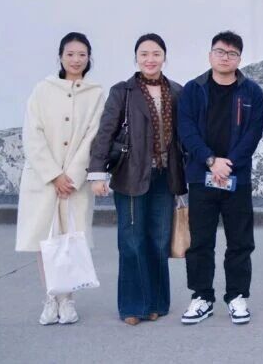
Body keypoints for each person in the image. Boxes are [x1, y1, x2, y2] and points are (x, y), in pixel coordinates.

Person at [88, 33, 186, 326]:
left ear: (164, 57)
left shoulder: (176, 91)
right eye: (144, 54)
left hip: (165, 177)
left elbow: (184, 136)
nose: (150, 59)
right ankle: (133, 306)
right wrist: (97, 173)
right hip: (130, 175)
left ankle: (156, 303)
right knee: (132, 241)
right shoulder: (123, 91)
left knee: (159, 241)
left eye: (156, 54)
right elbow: (105, 132)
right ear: (136, 58)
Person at [177, 31, 263, 326]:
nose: (225, 57)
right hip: (201, 176)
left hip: (236, 178)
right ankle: (202, 297)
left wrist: (229, 164)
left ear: (239, 58)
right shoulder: (193, 89)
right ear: (210, 55)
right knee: (200, 241)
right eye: (220, 52)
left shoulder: (251, 92)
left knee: (240, 241)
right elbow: (186, 130)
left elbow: (253, 133)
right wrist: (210, 160)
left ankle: (237, 296)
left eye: (231, 53)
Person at [17, 32, 106, 326]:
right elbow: (32, 134)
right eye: (70, 54)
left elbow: (94, 136)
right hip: (44, 181)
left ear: (89, 58)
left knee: (71, 240)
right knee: (46, 242)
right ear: (60, 57)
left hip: (74, 184)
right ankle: (50, 298)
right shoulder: (42, 90)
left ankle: (68, 300)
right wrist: (54, 174)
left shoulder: (96, 93)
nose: (76, 60)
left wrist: (73, 175)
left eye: (82, 54)